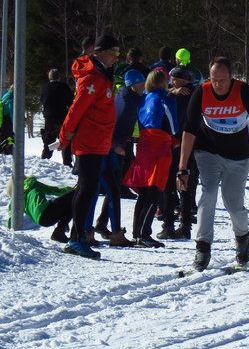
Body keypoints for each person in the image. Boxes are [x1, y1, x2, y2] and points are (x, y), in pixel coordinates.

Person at [176, 57, 249, 271]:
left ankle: (242, 238)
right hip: (208, 152)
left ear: (231, 77)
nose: (218, 84)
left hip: (238, 156)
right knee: (208, 193)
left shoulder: (242, 90)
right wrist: (182, 168)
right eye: (214, 79)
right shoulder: (202, 92)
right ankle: (202, 247)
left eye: (222, 80)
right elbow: (189, 130)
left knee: (233, 204)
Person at [57, 34, 120, 259]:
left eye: (118, 52)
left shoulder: (103, 74)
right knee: (86, 189)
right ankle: (77, 238)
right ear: (100, 52)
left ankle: (76, 236)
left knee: (88, 188)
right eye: (113, 52)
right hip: (89, 141)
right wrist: (64, 137)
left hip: (99, 140)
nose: (116, 57)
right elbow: (77, 108)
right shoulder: (93, 77)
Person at [123, 70, 178, 248]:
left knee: (144, 192)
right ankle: (144, 234)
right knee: (154, 192)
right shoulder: (165, 98)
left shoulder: (143, 99)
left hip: (143, 145)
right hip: (159, 146)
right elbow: (173, 126)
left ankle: (137, 233)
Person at [93, 69, 147, 246]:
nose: (144, 86)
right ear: (133, 85)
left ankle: (101, 224)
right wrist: (116, 146)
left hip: (119, 146)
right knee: (111, 188)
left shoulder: (129, 96)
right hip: (114, 149)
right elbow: (114, 124)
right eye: (141, 83)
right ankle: (96, 229)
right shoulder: (126, 101)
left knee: (113, 187)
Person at [156, 66, 196, 240]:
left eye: (174, 79)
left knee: (169, 185)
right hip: (191, 144)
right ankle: (185, 225)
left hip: (176, 143)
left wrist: (171, 92)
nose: (171, 82)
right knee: (186, 183)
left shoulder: (179, 96)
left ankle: (169, 225)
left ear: (183, 80)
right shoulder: (195, 93)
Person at [6, 176, 74, 242]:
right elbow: (56, 191)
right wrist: (74, 189)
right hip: (47, 212)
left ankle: (60, 230)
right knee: (74, 194)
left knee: (70, 204)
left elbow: (11, 216)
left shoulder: (15, 198)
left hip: (41, 221)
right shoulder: (33, 184)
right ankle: (61, 228)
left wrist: (9, 230)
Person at [39, 69, 74, 166]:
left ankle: (45, 159)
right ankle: (67, 162)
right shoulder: (64, 87)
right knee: (64, 140)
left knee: (48, 140)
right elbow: (70, 102)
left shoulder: (44, 88)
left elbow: (41, 100)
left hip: (48, 117)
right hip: (62, 117)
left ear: (49, 77)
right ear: (59, 77)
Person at [0, 85, 14, 154]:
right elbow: (11, 110)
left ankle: (6, 150)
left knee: (5, 136)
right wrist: (14, 122)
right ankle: (7, 151)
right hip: (8, 120)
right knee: (9, 137)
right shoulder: (12, 97)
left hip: (3, 119)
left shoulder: (6, 95)